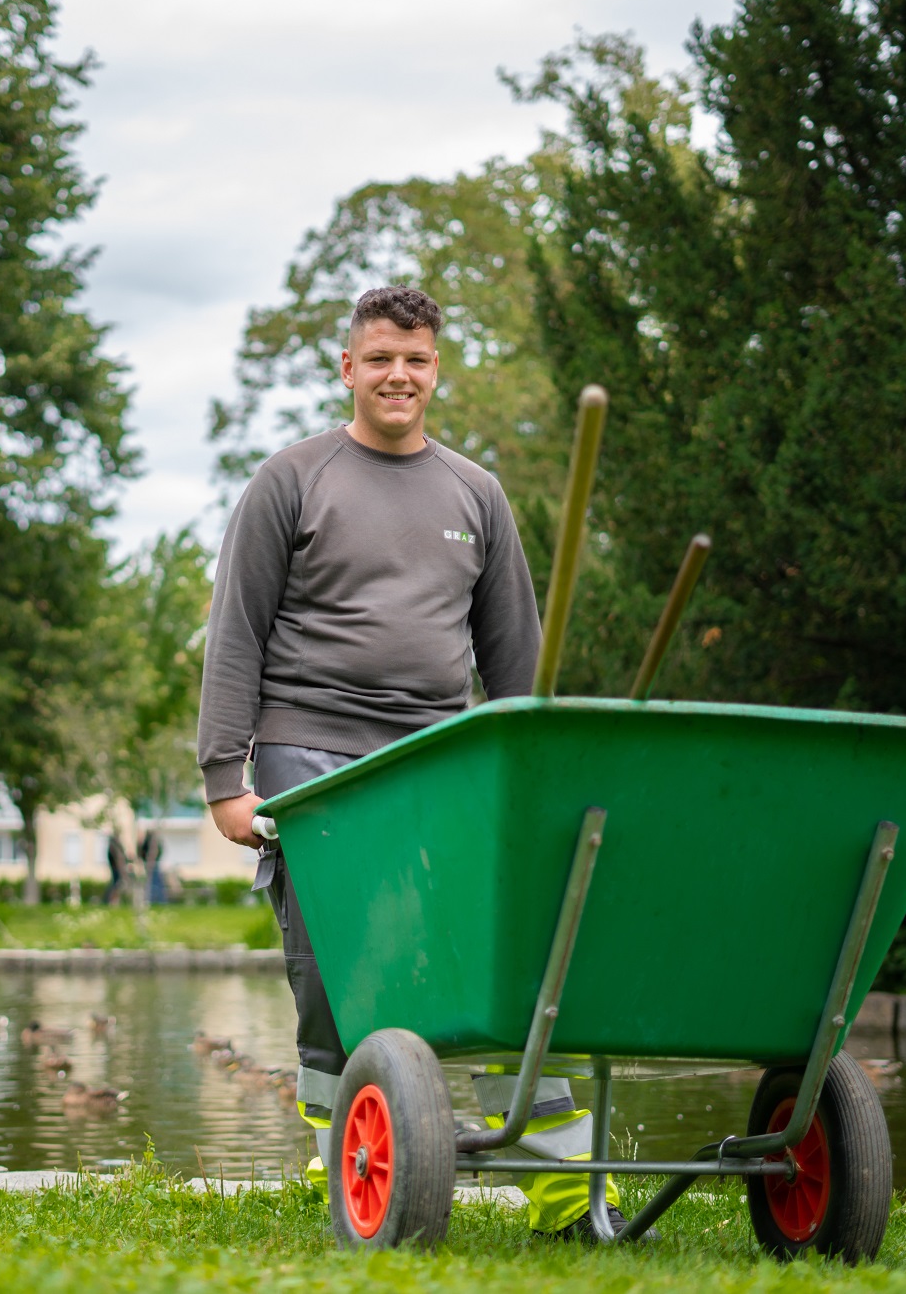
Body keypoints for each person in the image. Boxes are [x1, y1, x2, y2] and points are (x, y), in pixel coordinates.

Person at [197, 286, 626, 1240]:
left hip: (439, 753)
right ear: (347, 368)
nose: (400, 375)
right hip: (311, 752)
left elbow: (516, 662)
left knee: (496, 956)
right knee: (335, 964)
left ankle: (568, 1191)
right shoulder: (292, 480)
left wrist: (537, 779)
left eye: (417, 359)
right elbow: (235, 634)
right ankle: (352, 1168)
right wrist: (228, 777)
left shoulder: (476, 493)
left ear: (438, 369)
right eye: (381, 357)